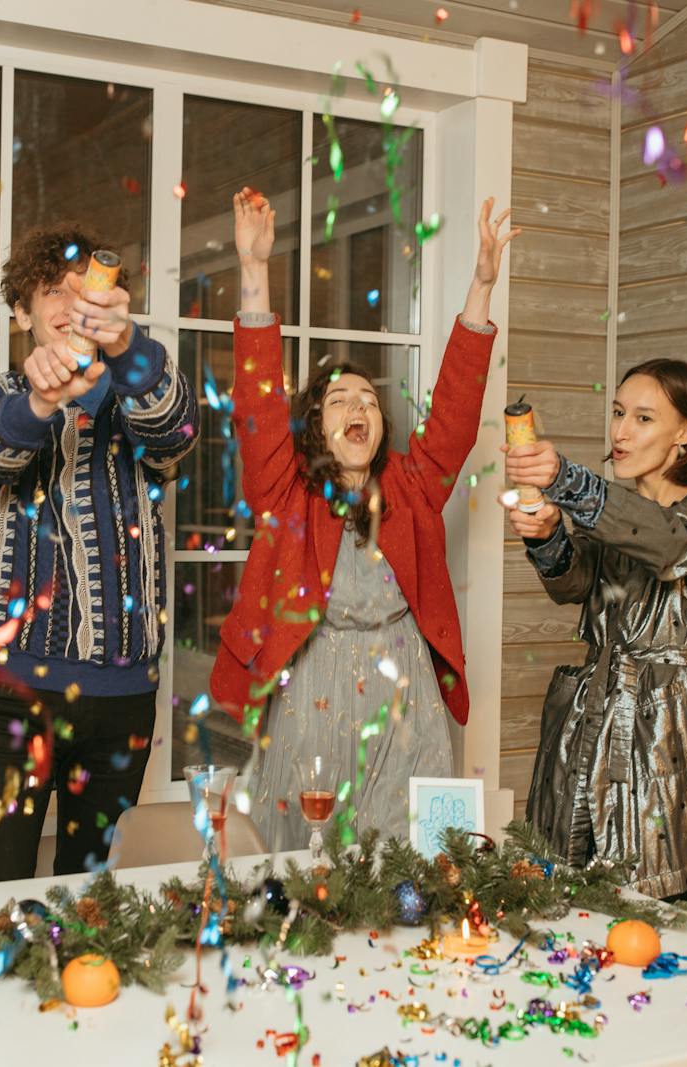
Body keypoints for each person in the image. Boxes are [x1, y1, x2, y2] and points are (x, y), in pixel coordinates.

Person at [213, 190, 516, 850]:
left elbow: (458, 414)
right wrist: (255, 269)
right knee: (307, 862)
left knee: (415, 859)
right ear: (314, 424)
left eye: (370, 400)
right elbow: (259, 400)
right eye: (339, 399)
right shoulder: (287, 493)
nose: (360, 406)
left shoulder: (411, 486)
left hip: (406, 698)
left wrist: (482, 286)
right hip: (312, 690)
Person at [0, 223, 197, 880]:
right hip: (13, 693)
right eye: (48, 291)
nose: (67, 303)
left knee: (100, 898)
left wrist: (128, 346)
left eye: (80, 285)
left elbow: (177, 432)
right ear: (23, 312)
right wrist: (38, 400)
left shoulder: (137, 395)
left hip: (121, 697)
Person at [504, 358, 687, 916]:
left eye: (643, 418)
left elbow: (672, 545)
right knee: (569, 891)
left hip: (659, 729)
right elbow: (572, 585)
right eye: (618, 413)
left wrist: (568, 480)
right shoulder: (615, 520)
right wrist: (546, 537)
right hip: (585, 721)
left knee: (659, 900)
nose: (620, 432)